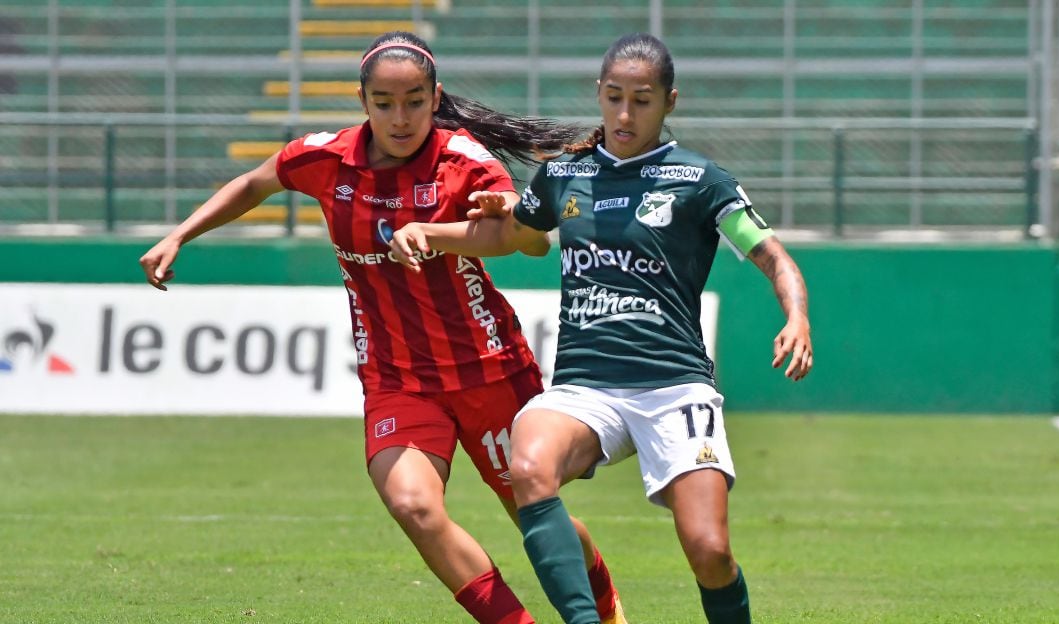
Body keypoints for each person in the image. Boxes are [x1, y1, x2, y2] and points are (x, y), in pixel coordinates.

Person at [138, 31, 627, 624]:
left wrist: (506, 218)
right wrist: (179, 235)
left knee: (531, 509)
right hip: (396, 378)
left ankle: (606, 605)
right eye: (386, 103)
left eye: (416, 101)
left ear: (435, 96)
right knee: (414, 506)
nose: (401, 117)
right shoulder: (323, 158)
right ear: (362, 100)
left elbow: (530, 245)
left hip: (488, 370)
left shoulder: (464, 161)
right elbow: (253, 184)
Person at [389, 32, 813, 624]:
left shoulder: (699, 179)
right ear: (598, 94)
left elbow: (773, 256)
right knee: (529, 467)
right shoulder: (566, 175)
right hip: (586, 389)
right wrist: (431, 232)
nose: (623, 112)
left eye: (641, 100)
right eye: (613, 96)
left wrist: (796, 314)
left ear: (670, 102)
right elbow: (514, 236)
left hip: (674, 386)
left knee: (710, 553)